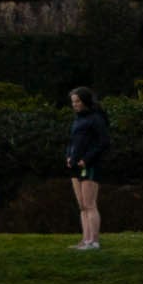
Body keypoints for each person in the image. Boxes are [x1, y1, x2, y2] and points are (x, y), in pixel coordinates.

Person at [61, 80, 114, 254]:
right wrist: (69, 156)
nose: (75, 104)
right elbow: (72, 141)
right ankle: (85, 239)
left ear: (85, 101)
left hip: (89, 166)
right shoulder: (77, 119)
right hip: (75, 166)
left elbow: (103, 142)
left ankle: (94, 241)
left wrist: (86, 159)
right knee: (82, 205)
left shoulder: (96, 119)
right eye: (73, 102)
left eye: (77, 101)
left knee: (90, 204)